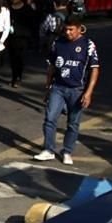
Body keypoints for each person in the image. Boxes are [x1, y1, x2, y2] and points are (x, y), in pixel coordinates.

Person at [33, 15, 100, 166]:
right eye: (66, 29)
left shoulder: (88, 45)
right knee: (50, 118)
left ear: (79, 28)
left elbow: (94, 69)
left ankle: (67, 151)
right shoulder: (58, 43)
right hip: (58, 87)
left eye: (71, 30)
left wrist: (88, 92)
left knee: (73, 123)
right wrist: (48, 87)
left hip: (77, 90)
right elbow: (51, 67)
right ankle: (48, 150)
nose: (68, 33)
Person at [6, 0, 35, 88]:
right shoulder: (8, 8)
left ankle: (18, 77)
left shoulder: (27, 9)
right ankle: (14, 77)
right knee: (12, 59)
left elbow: (33, 23)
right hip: (11, 37)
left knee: (20, 58)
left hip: (23, 37)